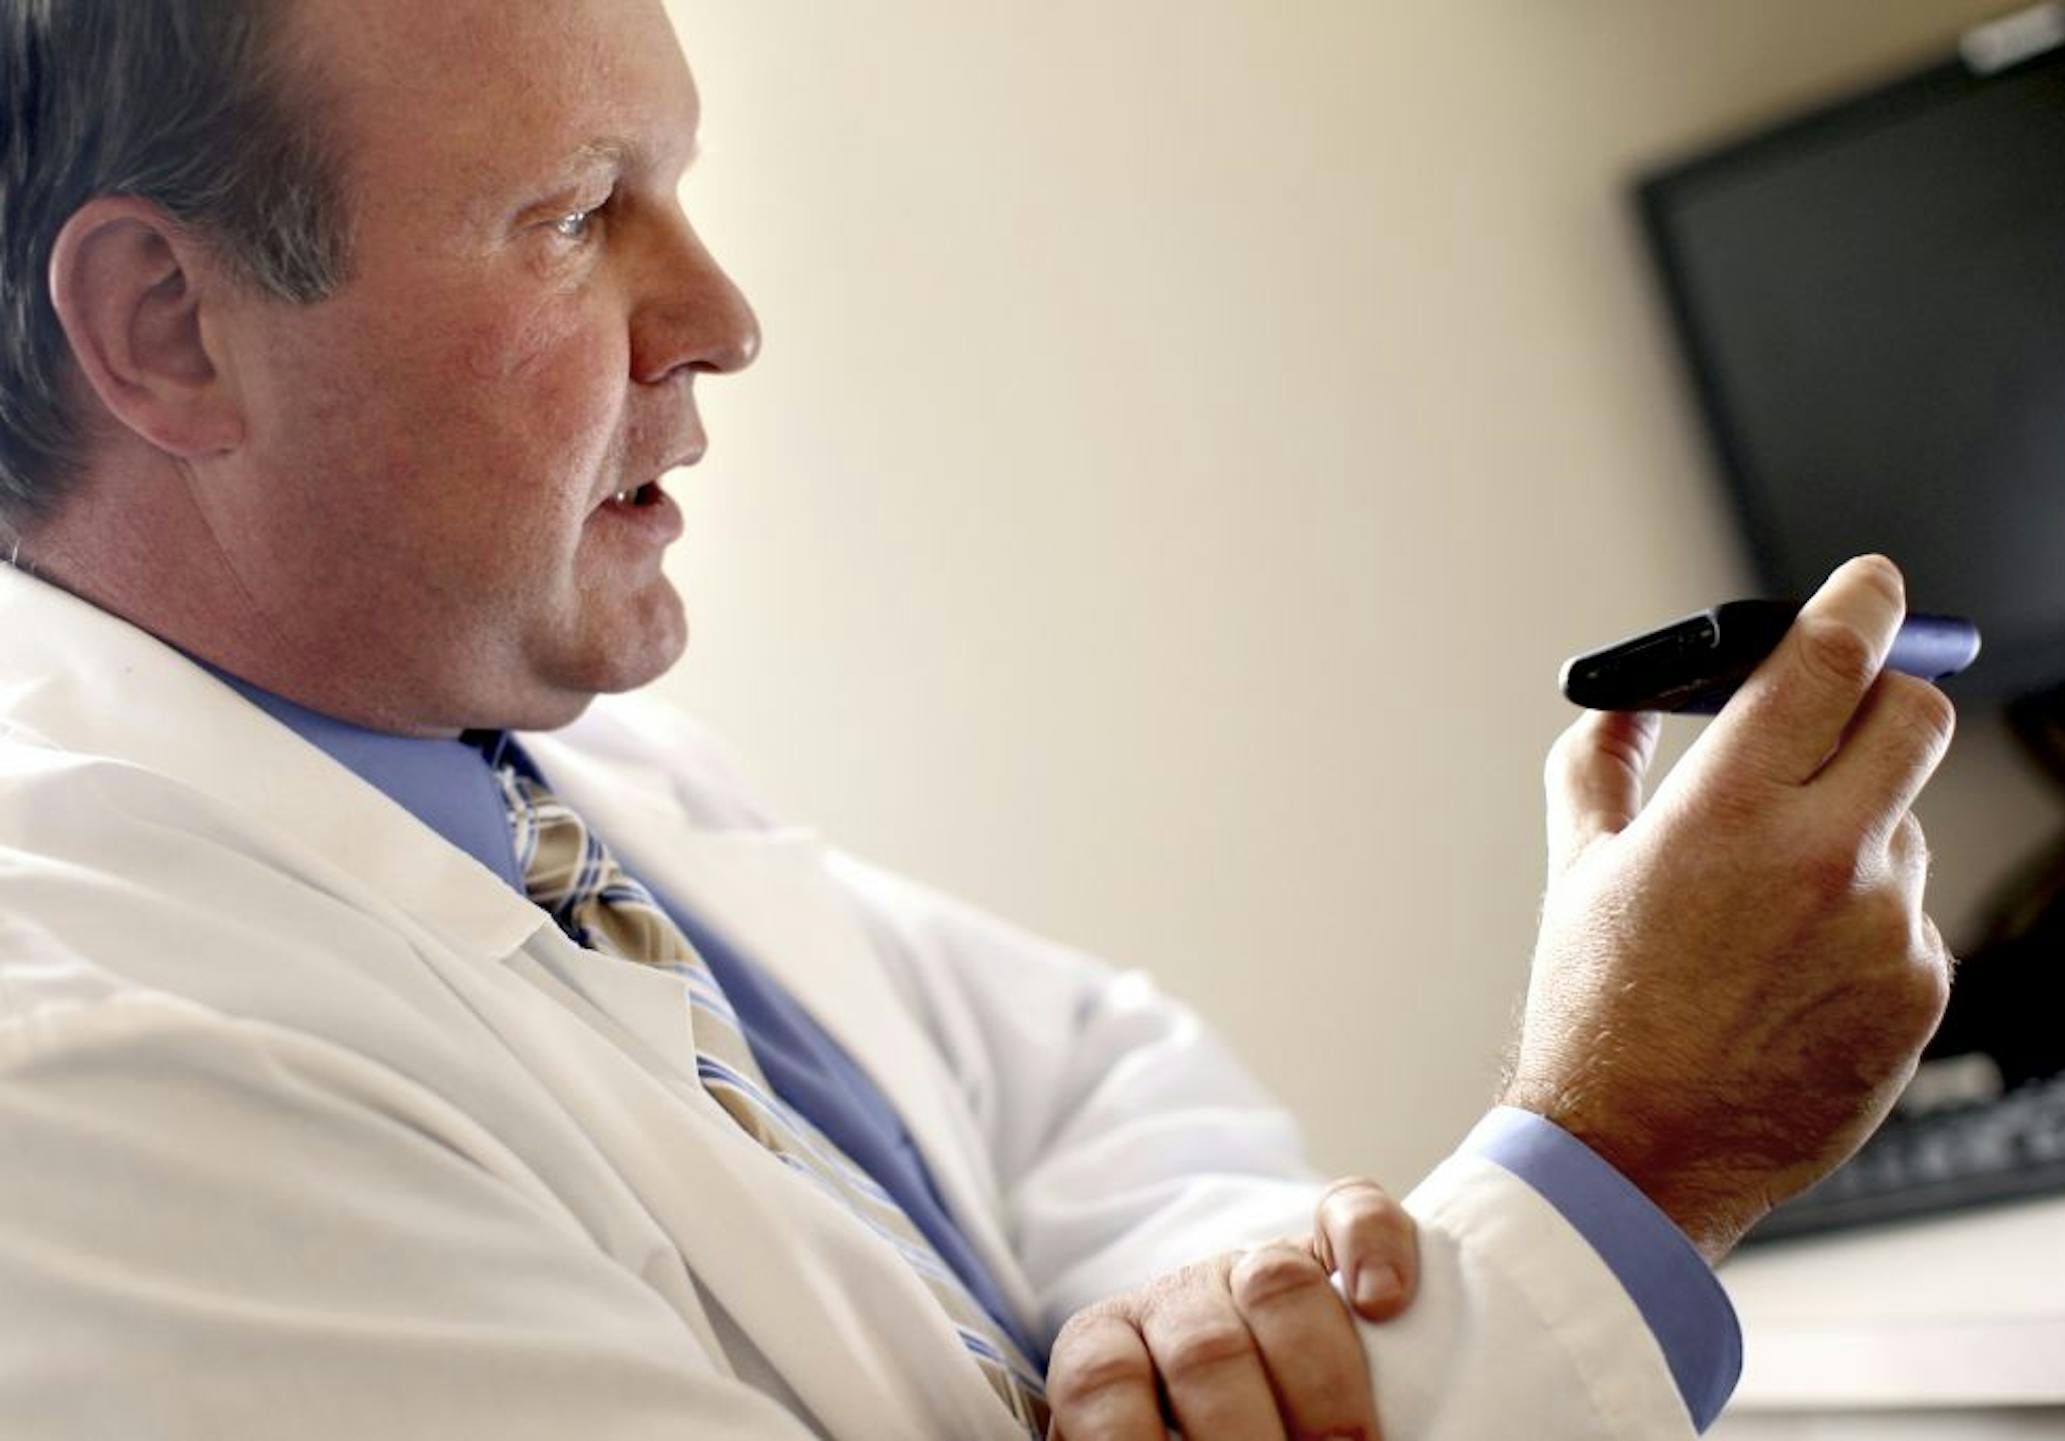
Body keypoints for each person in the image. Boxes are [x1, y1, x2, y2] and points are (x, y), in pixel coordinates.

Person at [0, 0, 1957, 1437]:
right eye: (579, 214)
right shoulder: (89, 1075)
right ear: (169, 326)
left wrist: (1218, 1316)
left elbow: (1092, 1086)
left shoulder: (538, 786)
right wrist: (1629, 1160)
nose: (723, 316)